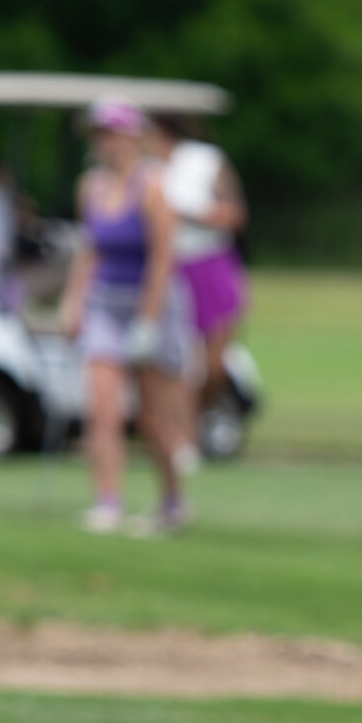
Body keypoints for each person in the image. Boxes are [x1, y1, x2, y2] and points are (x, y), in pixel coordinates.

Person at [57, 100, 187, 534]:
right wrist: (73, 303)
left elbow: (162, 259)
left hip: (151, 304)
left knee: (151, 418)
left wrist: (148, 322)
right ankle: (107, 501)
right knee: (102, 408)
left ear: (132, 137)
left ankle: (172, 499)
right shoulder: (90, 186)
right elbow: (89, 251)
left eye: (110, 133)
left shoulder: (152, 186)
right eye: (98, 134)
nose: (103, 143)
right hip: (105, 303)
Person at [147, 115, 248, 475]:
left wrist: (194, 215)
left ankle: (198, 420)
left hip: (212, 262)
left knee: (214, 362)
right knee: (183, 363)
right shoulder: (145, 170)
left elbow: (234, 213)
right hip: (172, 266)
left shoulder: (205, 160)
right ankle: (183, 439)